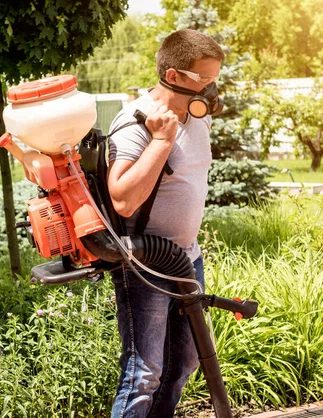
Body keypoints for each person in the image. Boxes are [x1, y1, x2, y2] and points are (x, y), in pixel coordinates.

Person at [107, 29, 224, 418]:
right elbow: (122, 199)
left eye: (213, 80)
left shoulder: (196, 116)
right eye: (202, 80)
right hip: (145, 263)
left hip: (187, 259)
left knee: (184, 363)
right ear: (173, 76)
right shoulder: (136, 123)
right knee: (144, 374)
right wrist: (159, 142)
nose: (210, 90)